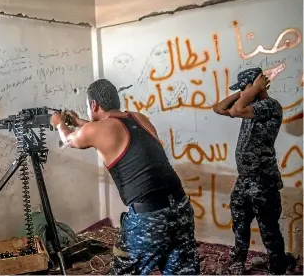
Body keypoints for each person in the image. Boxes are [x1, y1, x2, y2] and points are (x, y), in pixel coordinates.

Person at [50, 79, 200, 275]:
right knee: (181, 271)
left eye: (88, 106)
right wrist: (81, 122)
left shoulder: (97, 130)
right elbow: (109, 131)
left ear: (94, 105)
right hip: (180, 209)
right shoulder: (139, 118)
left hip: (148, 219)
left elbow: (69, 139)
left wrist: (59, 123)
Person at [213, 68, 296, 275]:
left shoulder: (269, 106)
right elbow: (219, 109)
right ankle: (237, 262)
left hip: (263, 180)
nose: (241, 92)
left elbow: (235, 111)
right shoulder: (249, 104)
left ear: (256, 85)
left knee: (269, 229)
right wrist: (245, 92)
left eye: (243, 86)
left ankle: (278, 267)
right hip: (245, 180)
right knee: (240, 223)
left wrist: (255, 89)